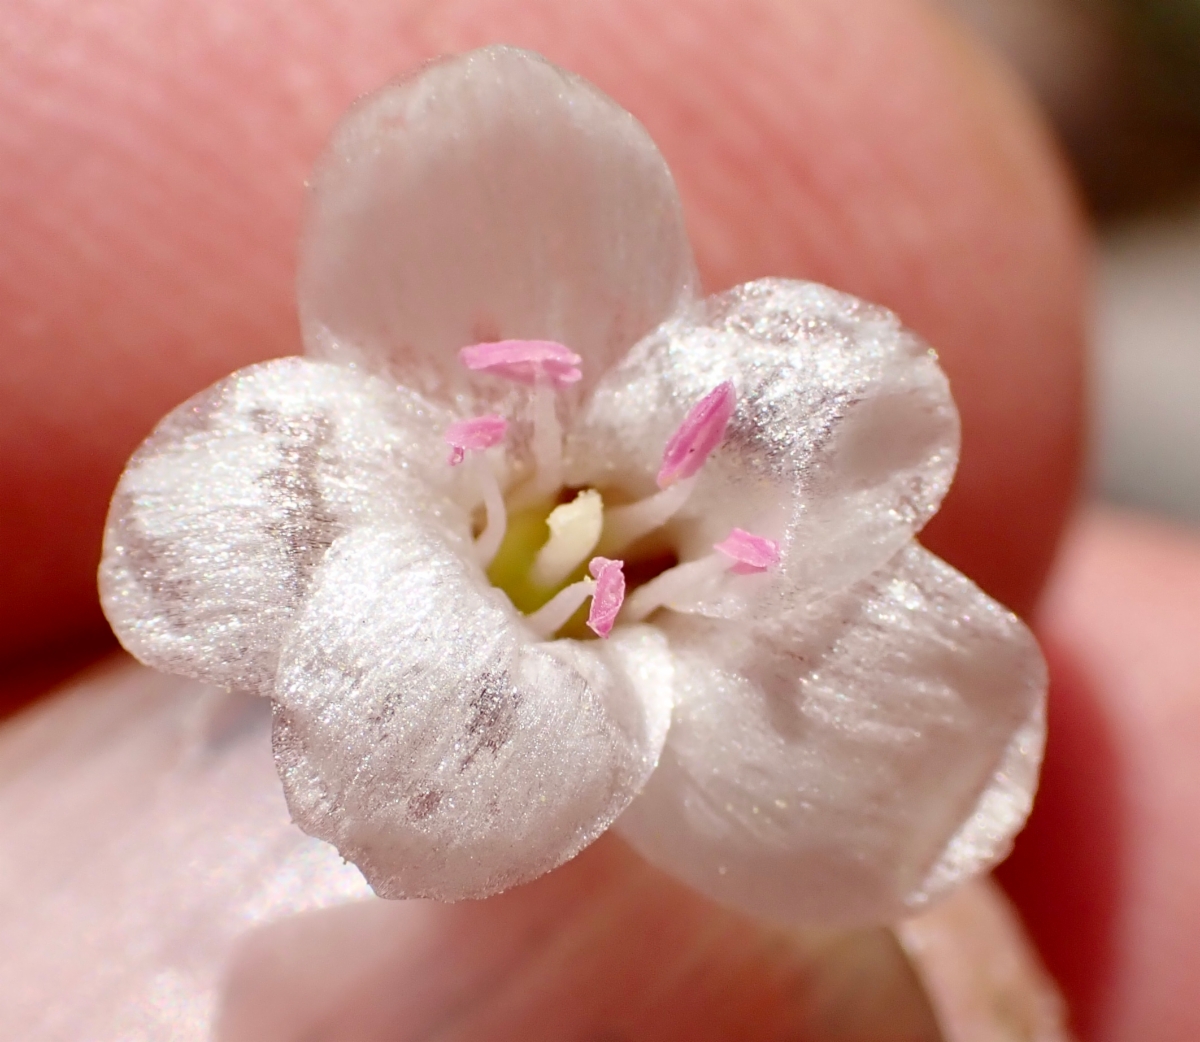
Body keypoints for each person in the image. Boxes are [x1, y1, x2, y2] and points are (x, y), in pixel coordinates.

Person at [0, 1, 1195, 1038]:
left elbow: (929, 773)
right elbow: (180, 545)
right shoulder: (348, 458)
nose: (573, 532)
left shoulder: (744, 578)